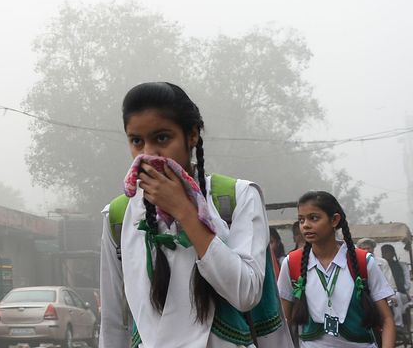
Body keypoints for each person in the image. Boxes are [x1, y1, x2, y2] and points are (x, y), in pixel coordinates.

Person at [100, 82, 292, 347]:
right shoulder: (119, 215)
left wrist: (185, 211)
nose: (148, 154)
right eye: (136, 141)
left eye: (162, 138)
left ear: (192, 135)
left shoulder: (237, 197)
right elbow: (113, 321)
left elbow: (246, 293)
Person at [278, 191, 396, 347]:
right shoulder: (292, 263)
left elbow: (387, 319)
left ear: (334, 220)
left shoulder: (363, 262)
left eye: (314, 218)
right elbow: (284, 321)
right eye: (301, 220)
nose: (305, 225)